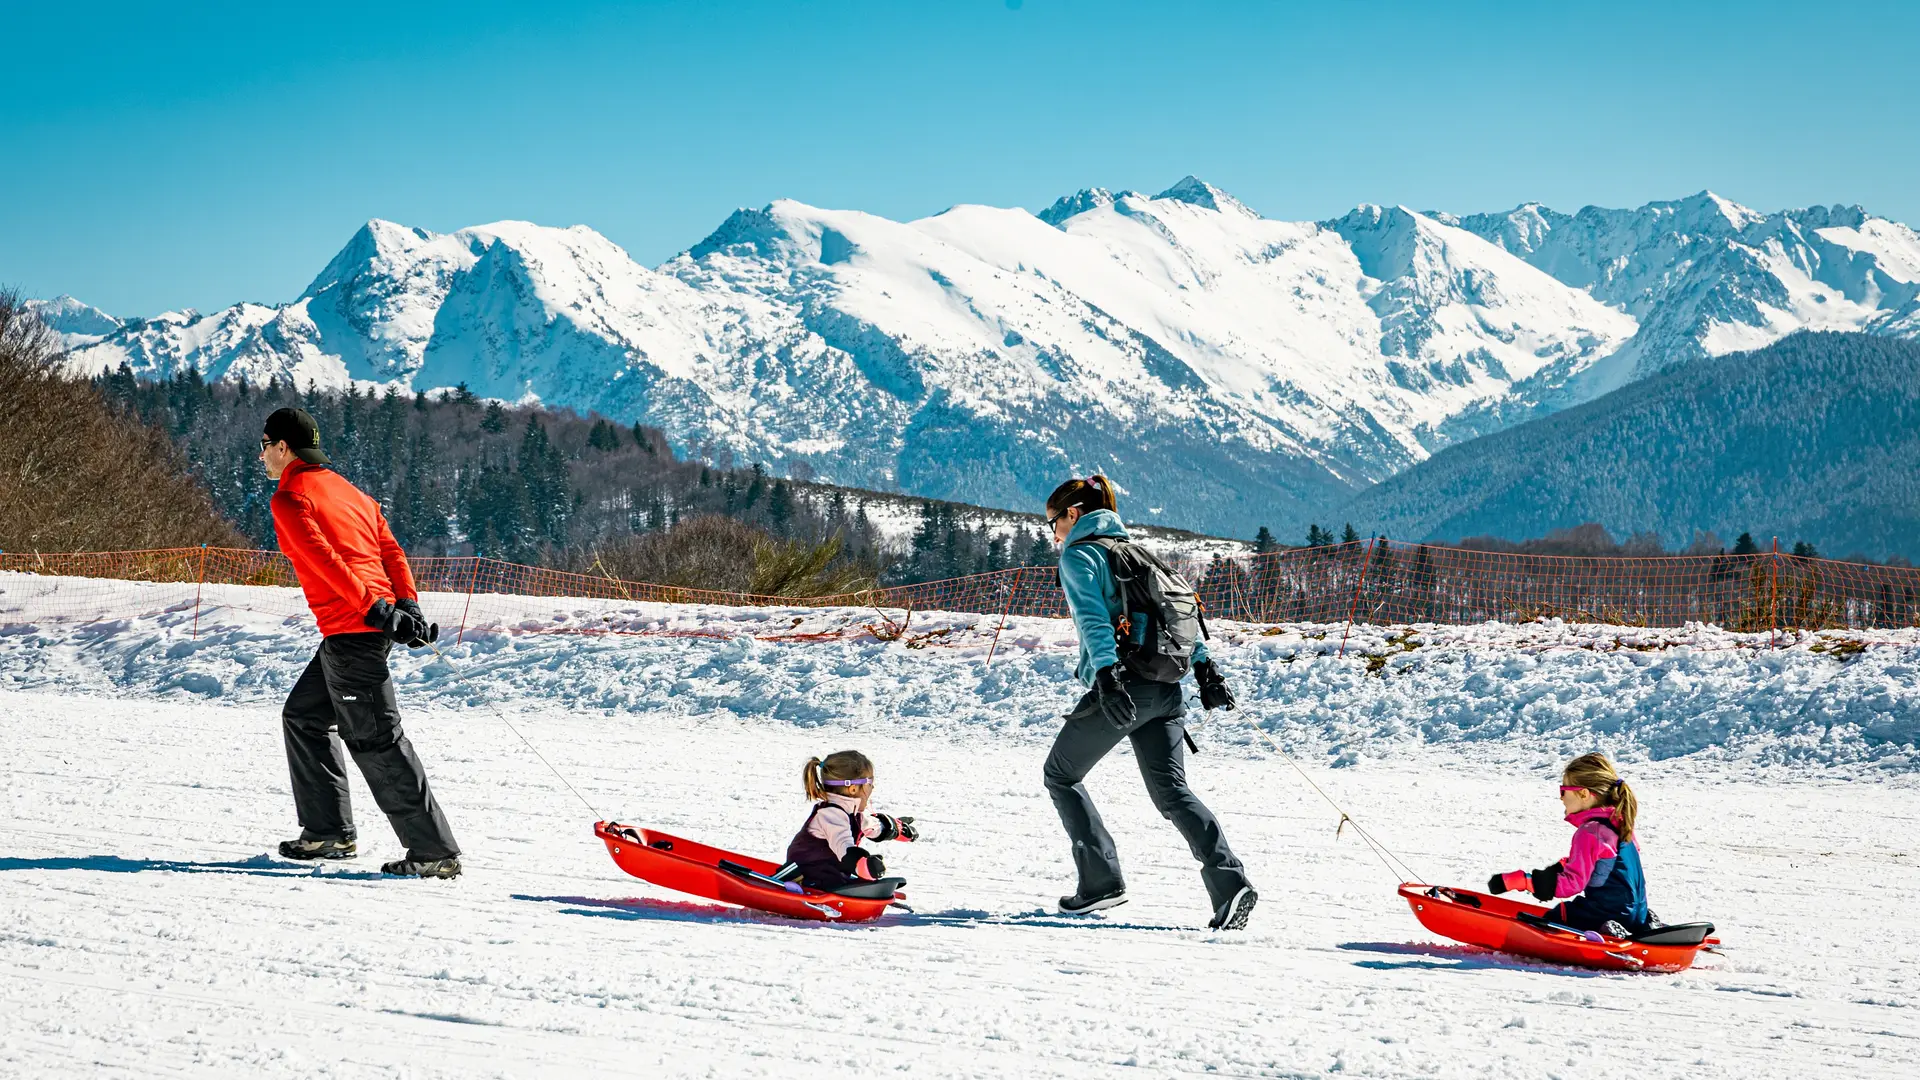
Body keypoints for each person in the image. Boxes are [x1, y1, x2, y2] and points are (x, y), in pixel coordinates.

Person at [1042, 474, 1257, 930]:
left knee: (1060, 774)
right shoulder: (1142, 554)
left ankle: (1100, 884)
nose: (1054, 532)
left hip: (1125, 688)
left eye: (1054, 521)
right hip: (1168, 689)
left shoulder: (1081, 555)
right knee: (1173, 793)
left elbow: (1093, 621)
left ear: (1074, 515)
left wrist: (1106, 675)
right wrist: (1206, 670)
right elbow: (1178, 615)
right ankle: (1229, 885)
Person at [259, 406, 462, 879]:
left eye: (264, 446)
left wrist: (376, 610)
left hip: (355, 630)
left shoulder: (290, 498)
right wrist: (405, 605)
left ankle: (433, 851)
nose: (262, 455)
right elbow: (390, 549)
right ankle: (328, 833)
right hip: (358, 628)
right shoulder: (351, 492)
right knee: (305, 717)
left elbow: (326, 561)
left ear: (284, 448)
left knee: (375, 740)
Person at [1487, 752, 1649, 935]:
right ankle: (1638, 926)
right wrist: (1559, 868)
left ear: (1584, 794)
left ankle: (1604, 931)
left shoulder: (1590, 831)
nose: (1561, 798)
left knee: (1554, 919)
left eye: (1563, 791)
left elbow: (1572, 884)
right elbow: (1606, 866)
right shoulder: (1620, 823)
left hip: (1605, 914)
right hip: (1637, 915)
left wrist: (1524, 881)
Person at [784, 751, 918, 891]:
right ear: (853, 789)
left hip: (831, 872)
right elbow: (843, 846)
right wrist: (862, 864)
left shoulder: (854, 814)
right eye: (870, 783)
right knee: (834, 880)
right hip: (806, 872)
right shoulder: (831, 815)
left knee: (842, 878)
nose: (873, 788)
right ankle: (797, 887)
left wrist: (897, 829)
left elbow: (875, 827)